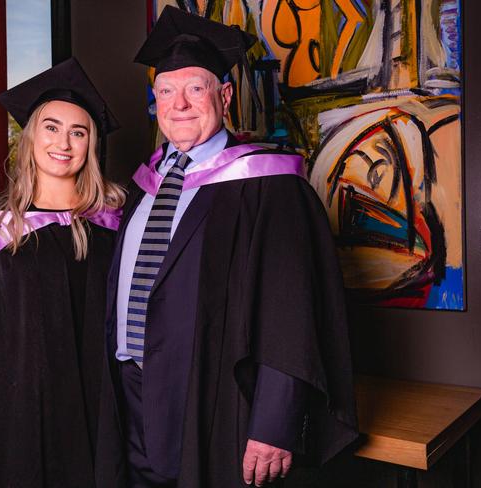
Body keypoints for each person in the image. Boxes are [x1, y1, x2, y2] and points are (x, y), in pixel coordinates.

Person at [95, 7, 358, 488]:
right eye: (166, 91)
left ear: (226, 95)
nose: (180, 103)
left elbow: (292, 309)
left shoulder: (268, 185)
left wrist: (274, 423)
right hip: (128, 389)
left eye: (195, 88)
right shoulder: (140, 187)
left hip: (215, 394)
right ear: (154, 101)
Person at [0, 57, 125, 487]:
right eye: (51, 127)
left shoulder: (115, 224)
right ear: (30, 138)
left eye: (77, 132)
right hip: (18, 411)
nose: (63, 142)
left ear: (90, 145)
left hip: (102, 407)